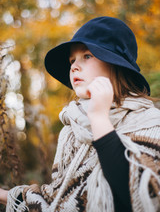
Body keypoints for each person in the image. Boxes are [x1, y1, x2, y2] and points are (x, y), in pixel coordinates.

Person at [0, 16, 160, 212]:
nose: (74, 66)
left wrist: (99, 119)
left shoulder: (150, 123)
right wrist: (5, 195)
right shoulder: (71, 131)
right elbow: (58, 198)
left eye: (87, 56)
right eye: (72, 60)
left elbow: (142, 197)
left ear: (116, 65)